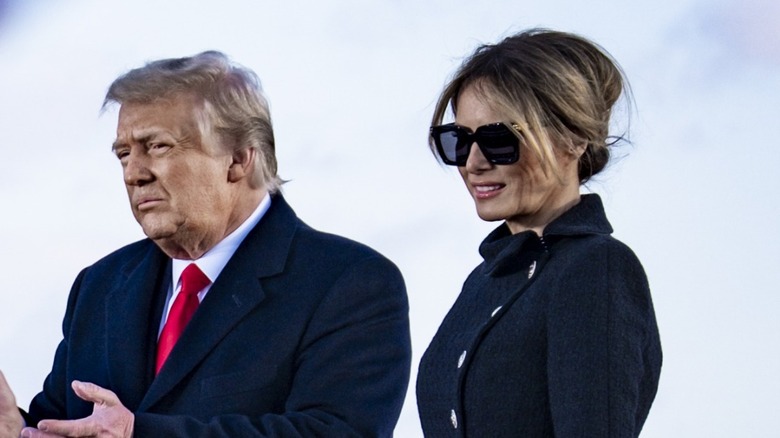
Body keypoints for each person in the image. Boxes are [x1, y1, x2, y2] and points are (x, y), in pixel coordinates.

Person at [0, 51, 411, 437]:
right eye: (123, 154)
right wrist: (14, 427)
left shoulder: (349, 282)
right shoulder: (100, 285)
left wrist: (137, 433)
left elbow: (335, 432)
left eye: (157, 146)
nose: (133, 174)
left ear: (238, 158)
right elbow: (64, 423)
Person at [416, 29, 662, 437]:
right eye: (458, 141)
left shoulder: (596, 269)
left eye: (500, 140)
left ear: (573, 139)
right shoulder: (483, 282)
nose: (474, 162)